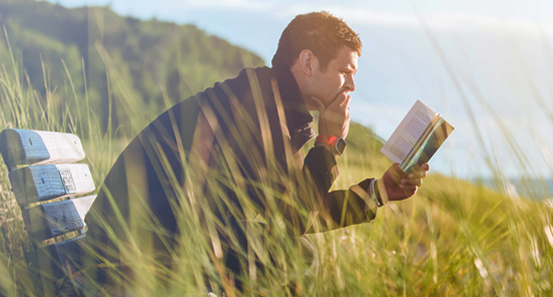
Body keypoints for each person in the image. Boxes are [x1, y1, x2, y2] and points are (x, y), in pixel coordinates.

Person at [81, 11, 429, 295]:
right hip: (124, 256)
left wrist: (379, 191)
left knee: (289, 250)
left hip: (150, 240)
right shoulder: (257, 108)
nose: (352, 86)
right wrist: (327, 143)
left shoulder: (273, 103)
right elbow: (295, 218)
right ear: (308, 61)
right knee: (293, 254)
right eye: (345, 72)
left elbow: (294, 209)